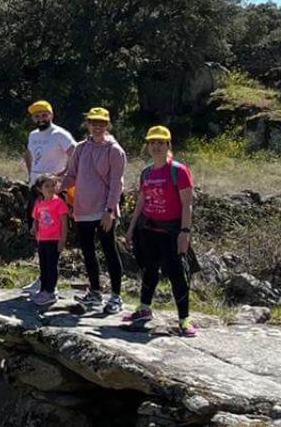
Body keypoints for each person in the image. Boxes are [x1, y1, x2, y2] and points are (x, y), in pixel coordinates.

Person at [124, 126, 197, 337]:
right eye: (152, 143)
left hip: (172, 231)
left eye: (160, 143)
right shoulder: (146, 172)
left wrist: (185, 232)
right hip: (148, 229)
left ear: (168, 145)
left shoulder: (179, 171)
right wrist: (130, 229)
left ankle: (184, 319)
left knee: (177, 274)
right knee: (149, 270)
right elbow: (141, 201)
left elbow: (187, 204)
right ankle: (144, 309)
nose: (156, 146)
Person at [61, 106, 127, 314]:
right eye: (93, 122)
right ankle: (95, 292)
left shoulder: (115, 151)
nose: (97, 127)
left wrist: (109, 211)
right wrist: (56, 185)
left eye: (101, 123)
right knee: (88, 251)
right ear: (87, 124)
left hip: (104, 210)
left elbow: (117, 184)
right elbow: (71, 175)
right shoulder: (80, 148)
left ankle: (116, 296)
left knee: (109, 251)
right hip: (82, 208)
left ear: (107, 125)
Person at [21, 100, 77, 293]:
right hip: (35, 188)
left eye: (44, 115)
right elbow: (28, 154)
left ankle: (50, 280)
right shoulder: (33, 135)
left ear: (51, 115)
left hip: (53, 190)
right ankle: (42, 278)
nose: (41, 118)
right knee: (37, 230)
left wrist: (62, 176)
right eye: (37, 116)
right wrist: (31, 174)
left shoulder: (60, 134)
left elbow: (75, 154)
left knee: (53, 234)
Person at [29, 174, 68, 308]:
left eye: (53, 185)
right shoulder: (39, 204)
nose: (51, 188)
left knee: (51, 266)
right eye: (47, 186)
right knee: (44, 266)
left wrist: (62, 240)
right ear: (40, 189)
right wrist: (34, 228)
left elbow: (64, 223)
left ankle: (51, 292)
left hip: (54, 239)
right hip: (43, 240)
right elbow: (36, 218)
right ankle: (43, 290)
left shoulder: (59, 203)